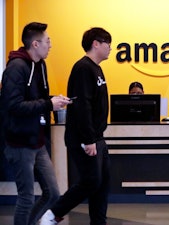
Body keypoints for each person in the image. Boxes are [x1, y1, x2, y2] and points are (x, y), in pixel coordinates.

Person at [0, 22, 70, 225]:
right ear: (36, 44)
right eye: (48, 41)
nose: (51, 45)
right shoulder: (16, 68)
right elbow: (13, 106)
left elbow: (37, 98)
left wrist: (54, 101)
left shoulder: (40, 65)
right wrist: (48, 104)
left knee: (53, 194)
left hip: (37, 142)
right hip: (20, 143)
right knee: (26, 197)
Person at [40, 27, 112, 225]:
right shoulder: (83, 68)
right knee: (91, 181)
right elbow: (82, 106)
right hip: (84, 137)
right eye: (108, 43)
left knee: (102, 183)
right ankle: (52, 214)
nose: (110, 48)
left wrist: (95, 138)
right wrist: (88, 140)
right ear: (95, 43)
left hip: (97, 137)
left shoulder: (97, 68)